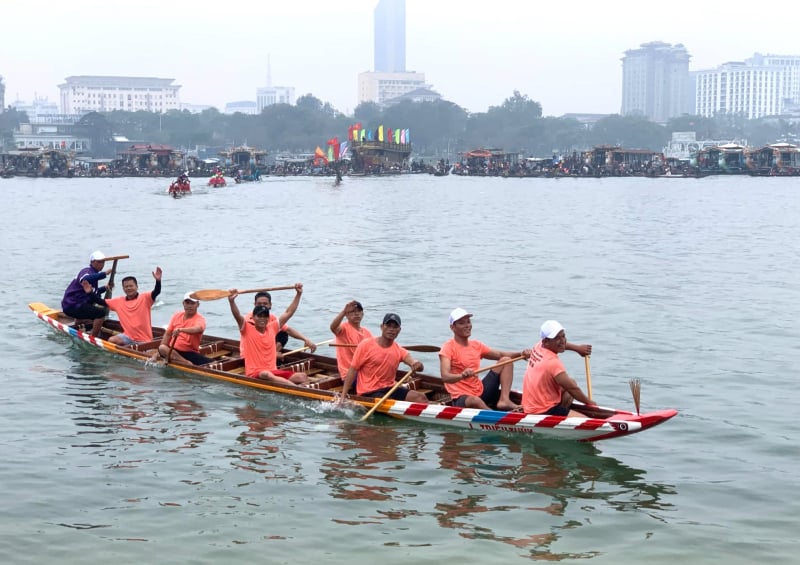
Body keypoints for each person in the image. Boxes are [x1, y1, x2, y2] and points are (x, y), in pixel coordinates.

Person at [439, 308, 531, 411]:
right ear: (452, 327)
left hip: (481, 391)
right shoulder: (448, 348)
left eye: (468, 322)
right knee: (475, 401)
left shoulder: (476, 345)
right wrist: (462, 376)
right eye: (461, 323)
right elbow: (445, 377)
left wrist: (521, 353)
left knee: (506, 360)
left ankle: (504, 400)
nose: (467, 325)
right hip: (462, 398)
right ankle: (496, 418)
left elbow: (500, 354)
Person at [227, 286, 309, 386]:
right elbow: (237, 315)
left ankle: (291, 387)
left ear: (268, 317)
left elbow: (289, 312)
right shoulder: (246, 329)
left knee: (302, 376)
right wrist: (231, 301)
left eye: (265, 316)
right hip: (255, 373)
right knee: (266, 374)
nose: (262, 319)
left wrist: (298, 294)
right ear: (253, 317)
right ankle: (296, 388)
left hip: (272, 371)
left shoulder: (272, 327)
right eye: (259, 316)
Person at [339, 313, 428, 404]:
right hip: (368, 391)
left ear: (399, 330)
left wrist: (416, 363)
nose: (391, 330)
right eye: (388, 326)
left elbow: (416, 364)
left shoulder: (399, 350)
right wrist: (343, 397)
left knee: (421, 398)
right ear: (382, 327)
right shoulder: (365, 345)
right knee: (390, 401)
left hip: (389, 388)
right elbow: (352, 370)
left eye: (395, 327)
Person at [522, 320, 596, 417]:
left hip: (531, 403)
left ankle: (560, 415)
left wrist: (578, 349)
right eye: (557, 338)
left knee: (572, 382)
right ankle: (556, 416)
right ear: (546, 341)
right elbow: (572, 388)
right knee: (586, 420)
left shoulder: (539, 346)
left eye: (563, 336)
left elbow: (562, 344)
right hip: (541, 410)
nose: (562, 341)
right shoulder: (553, 362)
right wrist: (590, 403)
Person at [240, 290, 317, 360]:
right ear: (255, 305)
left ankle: (273, 353)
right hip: (251, 356)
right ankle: (272, 354)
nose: (262, 306)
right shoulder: (249, 319)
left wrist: (305, 339)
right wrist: (272, 354)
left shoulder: (272, 318)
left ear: (270, 305)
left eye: (265, 304)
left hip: (266, 354)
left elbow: (288, 320)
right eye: (259, 304)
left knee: (283, 333)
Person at [98, 267, 162, 345]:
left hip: (144, 340)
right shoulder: (119, 301)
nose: (129, 288)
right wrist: (89, 292)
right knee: (111, 340)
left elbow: (156, 292)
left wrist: (158, 281)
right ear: (123, 288)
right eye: (126, 287)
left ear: (136, 287)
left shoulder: (145, 298)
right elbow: (101, 302)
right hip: (128, 337)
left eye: (131, 286)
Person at [61, 250, 114, 337]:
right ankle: (93, 337)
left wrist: (106, 287)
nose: (102, 264)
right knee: (100, 314)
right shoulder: (87, 271)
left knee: (90, 307)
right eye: (99, 262)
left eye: (103, 262)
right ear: (92, 262)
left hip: (75, 305)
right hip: (72, 305)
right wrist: (103, 274)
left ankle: (78, 324)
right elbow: (86, 279)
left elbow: (93, 293)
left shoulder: (94, 276)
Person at [155, 292, 213, 365]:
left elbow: (197, 328)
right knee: (162, 348)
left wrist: (181, 330)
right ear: (183, 304)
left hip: (190, 353)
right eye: (187, 303)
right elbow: (168, 334)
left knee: (214, 363)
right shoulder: (177, 315)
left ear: (198, 305)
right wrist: (158, 353)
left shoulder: (200, 319)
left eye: (192, 303)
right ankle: (186, 363)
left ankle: (184, 362)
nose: (189, 306)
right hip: (173, 350)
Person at [329, 300, 374, 377]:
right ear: (347, 315)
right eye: (353, 311)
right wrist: (343, 312)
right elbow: (333, 327)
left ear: (362, 314)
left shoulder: (367, 333)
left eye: (359, 311)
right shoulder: (344, 328)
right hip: (349, 374)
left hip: (365, 371)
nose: (356, 314)